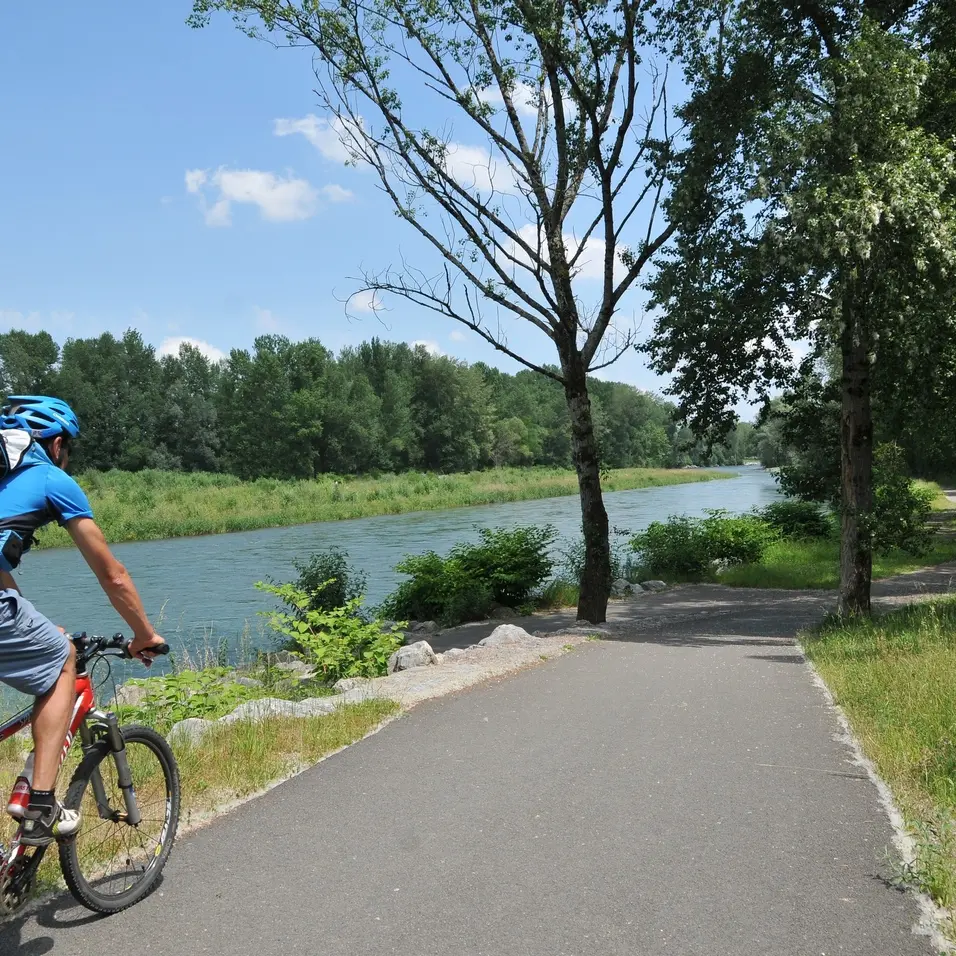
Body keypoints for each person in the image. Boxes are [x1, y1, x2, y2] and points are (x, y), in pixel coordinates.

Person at [0, 395, 166, 846]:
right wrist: (143, 634)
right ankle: (38, 802)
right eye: (68, 448)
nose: (67, 457)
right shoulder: (50, 479)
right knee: (60, 663)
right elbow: (112, 574)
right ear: (55, 444)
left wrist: (32, 620)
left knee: (51, 645)